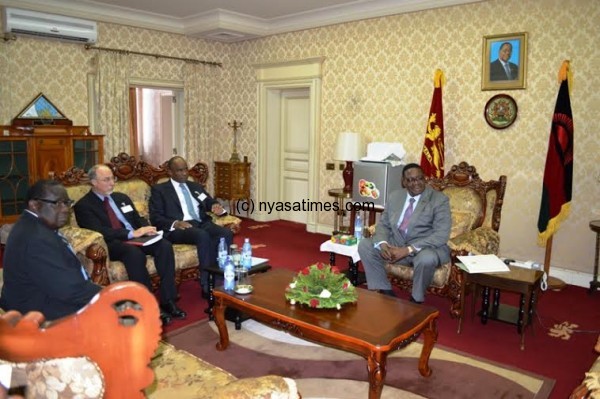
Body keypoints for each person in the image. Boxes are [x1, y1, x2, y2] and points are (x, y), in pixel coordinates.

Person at [74, 164, 186, 325]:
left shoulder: (121, 198)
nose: (112, 183)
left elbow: (136, 218)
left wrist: (145, 228)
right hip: (112, 243)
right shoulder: (84, 206)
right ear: (93, 182)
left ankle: (168, 300)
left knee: (164, 245)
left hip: (137, 237)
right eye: (106, 180)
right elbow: (99, 232)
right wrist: (131, 234)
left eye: (113, 178)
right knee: (134, 254)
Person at [0, 180, 101, 320]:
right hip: (38, 314)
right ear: (34, 205)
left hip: (45, 299)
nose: (65, 209)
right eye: (57, 203)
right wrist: (110, 295)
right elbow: (70, 290)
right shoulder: (37, 237)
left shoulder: (31, 225)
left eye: (67, 203)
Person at [357, 163, 451, 303]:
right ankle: (384, 290)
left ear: (424, 178)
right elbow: (383, 224)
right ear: (404, 182)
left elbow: (441, 234)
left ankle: (416, 299)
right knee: (365, 245)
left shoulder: (438, 199)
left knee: (427, 258)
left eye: (419, 178)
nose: (416, 183)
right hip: (396, 243)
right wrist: (383, 244)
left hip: (425, 247)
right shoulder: (395, 196)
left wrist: (407, 250)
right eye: (411, 180)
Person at [149, 156, 233, 296]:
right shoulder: (160, 190)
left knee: (226, 233)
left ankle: (219, 278)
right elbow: (155, 217)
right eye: (179, 171)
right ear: (170, 172)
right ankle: (207, 284)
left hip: (201, 223)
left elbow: (209, 201)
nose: (184, 173)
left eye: (186, 169)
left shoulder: (195, 186)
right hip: (179, 227)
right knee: (202, 235)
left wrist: (216, 207)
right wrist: (175, 223)